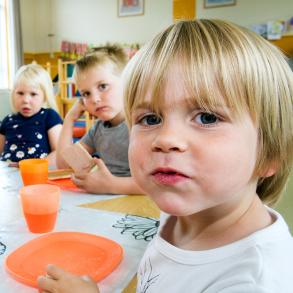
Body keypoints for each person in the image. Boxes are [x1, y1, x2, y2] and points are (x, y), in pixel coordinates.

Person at [38, 19, 293, 293]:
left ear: (270, 153)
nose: (165, 139)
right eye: (150, 118)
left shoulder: (255, 282)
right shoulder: (180, 212)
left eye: (207, 117)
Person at [56, 44, 143, 194]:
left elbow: (157, 184)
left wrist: (111, 185)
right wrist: (70, 119)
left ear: (128, 83)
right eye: (86, 94)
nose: (95, 99)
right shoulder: (98, 129)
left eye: (103, 86)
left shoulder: (141, 125)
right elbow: (64, 164)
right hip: (109, 205)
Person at [0, 64, 62, 166]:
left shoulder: (49, 116)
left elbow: (59, 152)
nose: (25, 100)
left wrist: (33, 166)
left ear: (45, 96)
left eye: (33, 94)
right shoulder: (7, 120)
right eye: (20, 93)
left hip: (36, 175)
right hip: (7, 175)